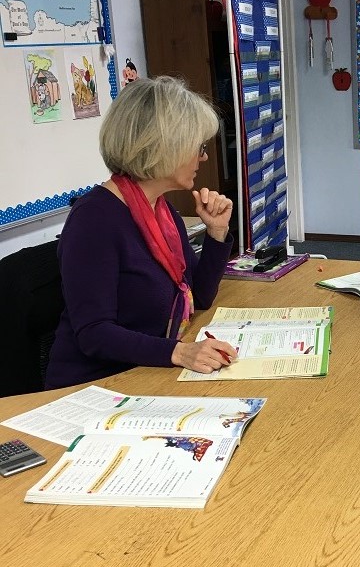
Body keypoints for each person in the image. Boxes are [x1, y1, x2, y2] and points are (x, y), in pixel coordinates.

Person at [46, 76, 237, 389]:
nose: (203, 157)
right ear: (166, 147)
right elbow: (94, 333)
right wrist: (180, 352)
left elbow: (199, 296)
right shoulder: (94, 220)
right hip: (95, 387)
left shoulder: (160, 210)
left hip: (147, 371)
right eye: (198, 147)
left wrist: (217, 233)